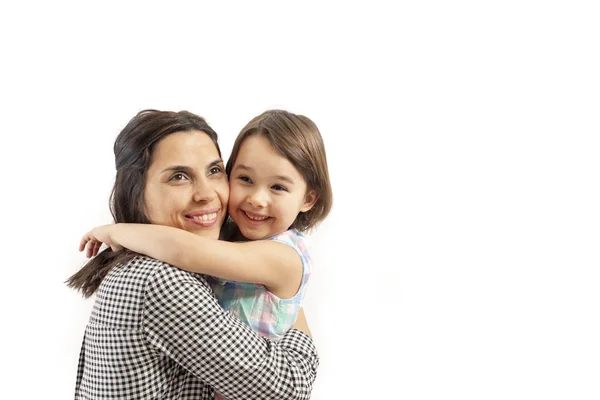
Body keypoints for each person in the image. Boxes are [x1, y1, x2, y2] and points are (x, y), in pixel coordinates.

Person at [80, 109, 333, 400]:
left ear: (309, 198)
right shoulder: (160, 280)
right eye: (178, 176)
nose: (206, 194)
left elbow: (186, 250)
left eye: (214, 171)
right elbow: (287, 389)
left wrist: (122, 231)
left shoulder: (278, 254)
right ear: (134, 191)